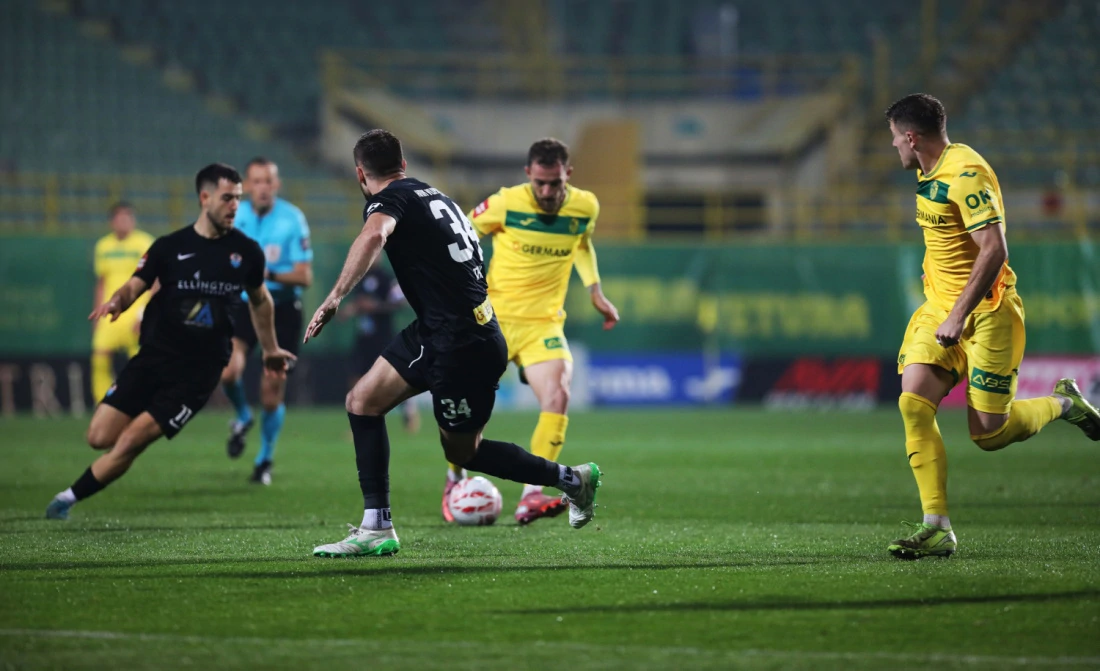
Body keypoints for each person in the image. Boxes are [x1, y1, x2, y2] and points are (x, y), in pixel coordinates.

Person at [305, 130, 602, 558]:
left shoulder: (388, 200)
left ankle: (573, 480)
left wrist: (334, 297)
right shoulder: (431, 193)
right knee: (361, 402)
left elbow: (374, 235)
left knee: (466, 452)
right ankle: (376, 526)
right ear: (403, 164)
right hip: (443, 330)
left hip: (460, 343)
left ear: (359, 174)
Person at [885, 93, 1100, 559]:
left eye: (894, 140)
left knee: (989, 435)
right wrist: (945, 309)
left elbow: (995, 249)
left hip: (988, 315)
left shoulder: (966, 175)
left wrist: (959, 315)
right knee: (914, 402)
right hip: (939, 309)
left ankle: (1064, 403)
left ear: (911, 136)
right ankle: (936, 527)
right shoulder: (928, 169)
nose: (893, 150)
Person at [45, 164, 296, 520]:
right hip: (154, 358)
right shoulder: (168, 247)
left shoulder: (247, 252)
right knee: (99, 437)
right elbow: (136, 284)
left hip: (198, 374)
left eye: (238, 199)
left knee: (132, 440)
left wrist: (270, 349)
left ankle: (67, 499)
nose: (234, 206)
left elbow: (261, 300)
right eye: (227, 198)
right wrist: (119, 301)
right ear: (204, 197)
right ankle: (92, 478)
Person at [443, 138, 619, 525]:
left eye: (554, 183)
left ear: (567, 175)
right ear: (528, 175)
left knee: (558, 393)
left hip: (544, 323)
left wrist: (595, 290)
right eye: (540, 183)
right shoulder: (505, 203)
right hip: (494, 320)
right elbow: (460, 234)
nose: (547, 192)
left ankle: (531, 497)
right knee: (470, 415)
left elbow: (582, 243)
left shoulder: (585, 206)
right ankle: (454, 478)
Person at [219, 157, 313, 485]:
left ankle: (264, 460)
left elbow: (305, 276)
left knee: (271, 392)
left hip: (283, 308)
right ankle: (243, 416)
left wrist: (265, 273)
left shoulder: (292, 219)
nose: (263, 187)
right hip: (243, 304)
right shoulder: (234, 216)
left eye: (268, 181)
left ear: (277, 185)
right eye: (256, 181)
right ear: (247, 186)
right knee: (229, 370)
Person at [91, 202, 155, 403]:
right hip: (110, 310)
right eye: (120, 218)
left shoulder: (144, 243)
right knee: (100, 358)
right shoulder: (103, 246)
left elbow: (156, 281)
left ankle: (138, 402)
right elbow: (101, 282)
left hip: (136, 312)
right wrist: (97, 311)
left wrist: (145, 312)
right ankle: (103, 404)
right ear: (112, 222)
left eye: (128, 217)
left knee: (138, 361)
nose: (124, 222)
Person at [344, 265, 420, 433]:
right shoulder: (359, 277)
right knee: (356, 377)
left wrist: (376, 306)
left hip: (383, 337)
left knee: (394, 379)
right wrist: (350, 310)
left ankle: (408, 409)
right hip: (364, 337)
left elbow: (401, 303)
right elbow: (357, 303)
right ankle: (356, 423)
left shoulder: (386, 277)